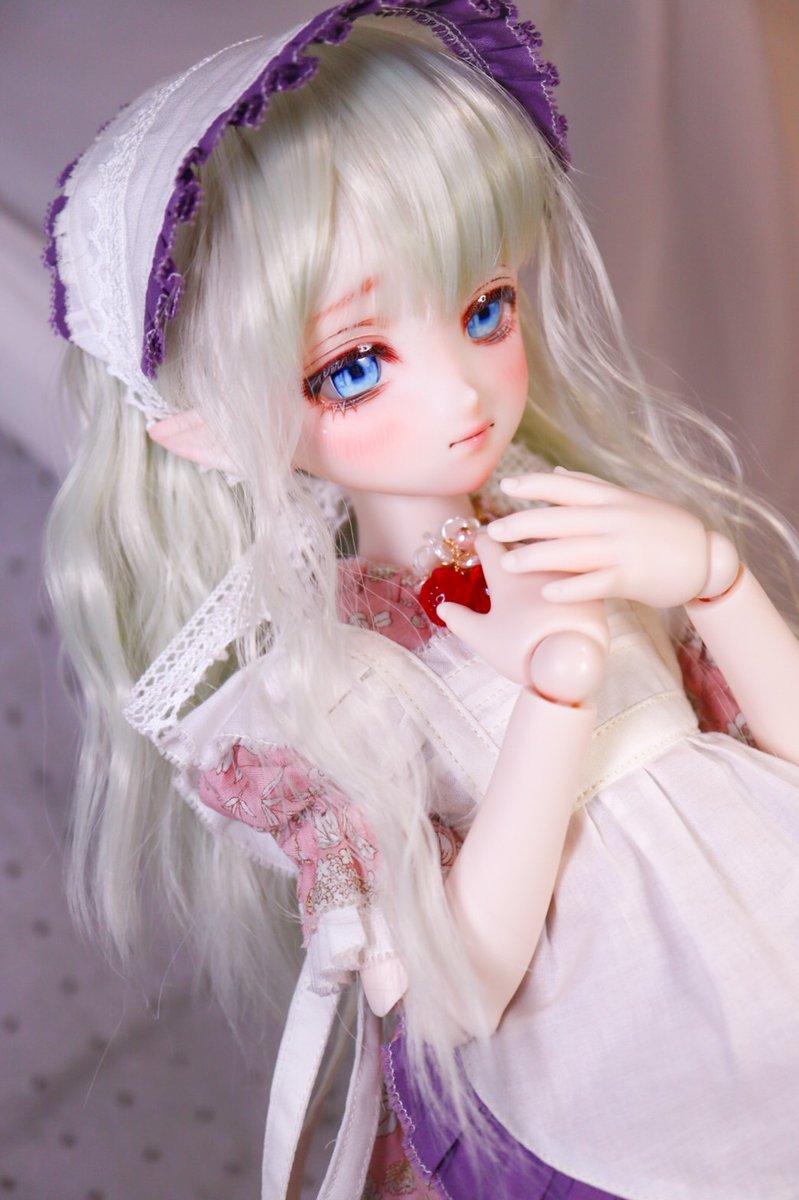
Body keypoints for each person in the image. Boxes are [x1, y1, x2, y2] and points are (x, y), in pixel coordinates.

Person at [44, 5, 799, 1198]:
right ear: (206, 429)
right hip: (627, 1092)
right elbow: (456, 998)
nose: (463, 396)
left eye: (483, 308)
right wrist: (554, 703)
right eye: (353, 368)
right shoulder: (339, 677)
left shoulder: (567, 519)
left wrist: (718, 579)